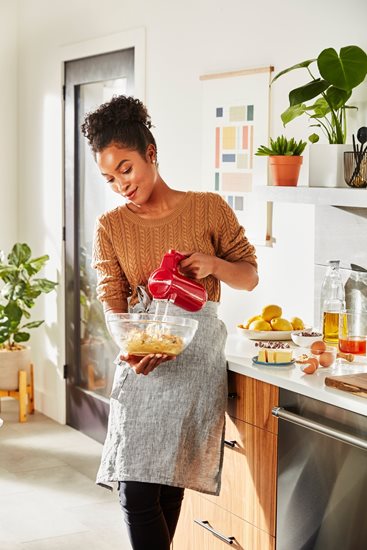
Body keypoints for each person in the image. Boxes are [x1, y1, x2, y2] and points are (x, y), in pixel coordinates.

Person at [81, 95, 258, 550]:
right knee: (135, 488)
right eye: (109, 177)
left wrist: (214, 264)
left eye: (126, 168)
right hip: (143, 358)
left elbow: (250, 276)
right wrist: (131, 346)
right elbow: (112, 297)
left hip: (194, 364)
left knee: (167, 483)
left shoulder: (208, 208)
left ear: (151, 155)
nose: (121, 184)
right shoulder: (110, 226)